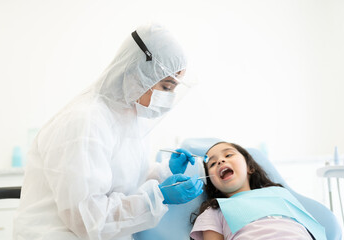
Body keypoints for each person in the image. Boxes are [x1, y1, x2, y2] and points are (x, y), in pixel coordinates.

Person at [13, 23, 203, 240]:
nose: (168, 98)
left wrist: (163, 173)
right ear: (141, 73)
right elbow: (86, 219)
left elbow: (123, 177)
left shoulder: (129, 118)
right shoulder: (85, 122)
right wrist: (158, 197)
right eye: (167, 87)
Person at [189, 141, 326, 240]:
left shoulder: (279, 194)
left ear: (250, 168)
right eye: (212, 164)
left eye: (229, 155)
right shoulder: (214, 210)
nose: (220, 161)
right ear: (211, 183)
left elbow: (309, 228)